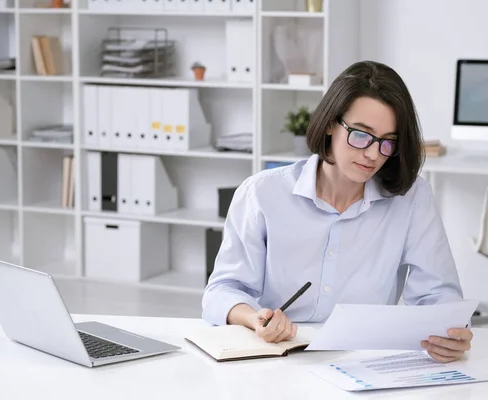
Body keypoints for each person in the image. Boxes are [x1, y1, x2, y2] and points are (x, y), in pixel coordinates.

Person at [202, 60, 473, 363]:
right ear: (331, 123)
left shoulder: (412, 198)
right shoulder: (262, 194)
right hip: (276, 357)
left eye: (388, 143)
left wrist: (450, 332)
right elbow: (222, 290)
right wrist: (254, 318)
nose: (373, 154)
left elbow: (439, 296)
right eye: (361, 134)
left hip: (363, 361)